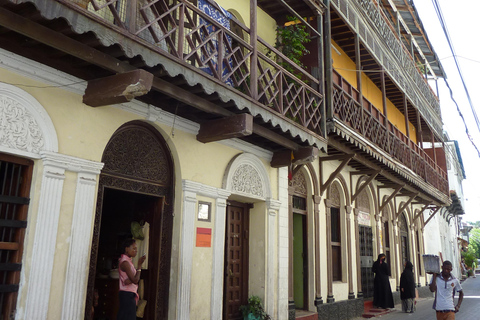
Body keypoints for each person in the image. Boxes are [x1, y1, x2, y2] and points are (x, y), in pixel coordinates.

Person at [117, 238, 146, 320]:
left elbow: (133, 279)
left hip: (129, 294)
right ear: (126, 249)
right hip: (127, 295)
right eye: (134, 248)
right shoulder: (125, 263)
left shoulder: (128, 262)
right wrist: (139, 266)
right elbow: (136, 280)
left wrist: (130, 280)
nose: (136, 251)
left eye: (136, 249)